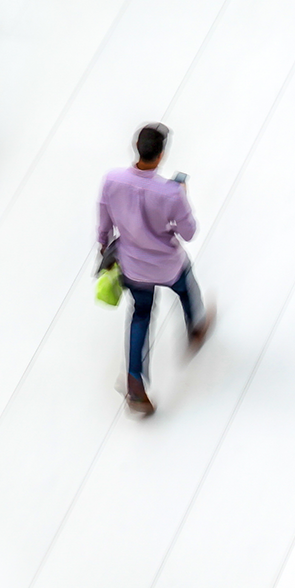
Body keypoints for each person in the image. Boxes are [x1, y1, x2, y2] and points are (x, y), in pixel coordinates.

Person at [97, 123, 213, 416]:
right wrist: (181, 195)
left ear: (136, 147)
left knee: (141, 316)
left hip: (132, 267)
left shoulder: (112, 181)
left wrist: (104, 248)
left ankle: (135, 383)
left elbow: (103, 224)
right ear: (161, 156)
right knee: (186, 289)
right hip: (167, 265)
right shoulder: (170, 194)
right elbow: (189, 232)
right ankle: (195, 329)